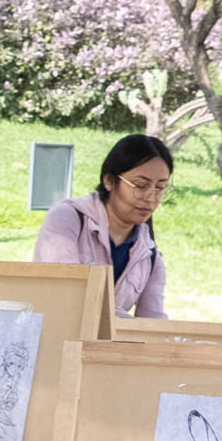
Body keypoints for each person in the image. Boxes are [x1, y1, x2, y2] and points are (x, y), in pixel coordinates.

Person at [33, 132, 172, 320]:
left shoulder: (150, 256)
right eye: (141, 185)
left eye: (160, 188)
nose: (151, 197)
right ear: (109, 181)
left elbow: (152, 323)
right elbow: (68, 290)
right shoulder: (68, 218)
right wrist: (126, 324)